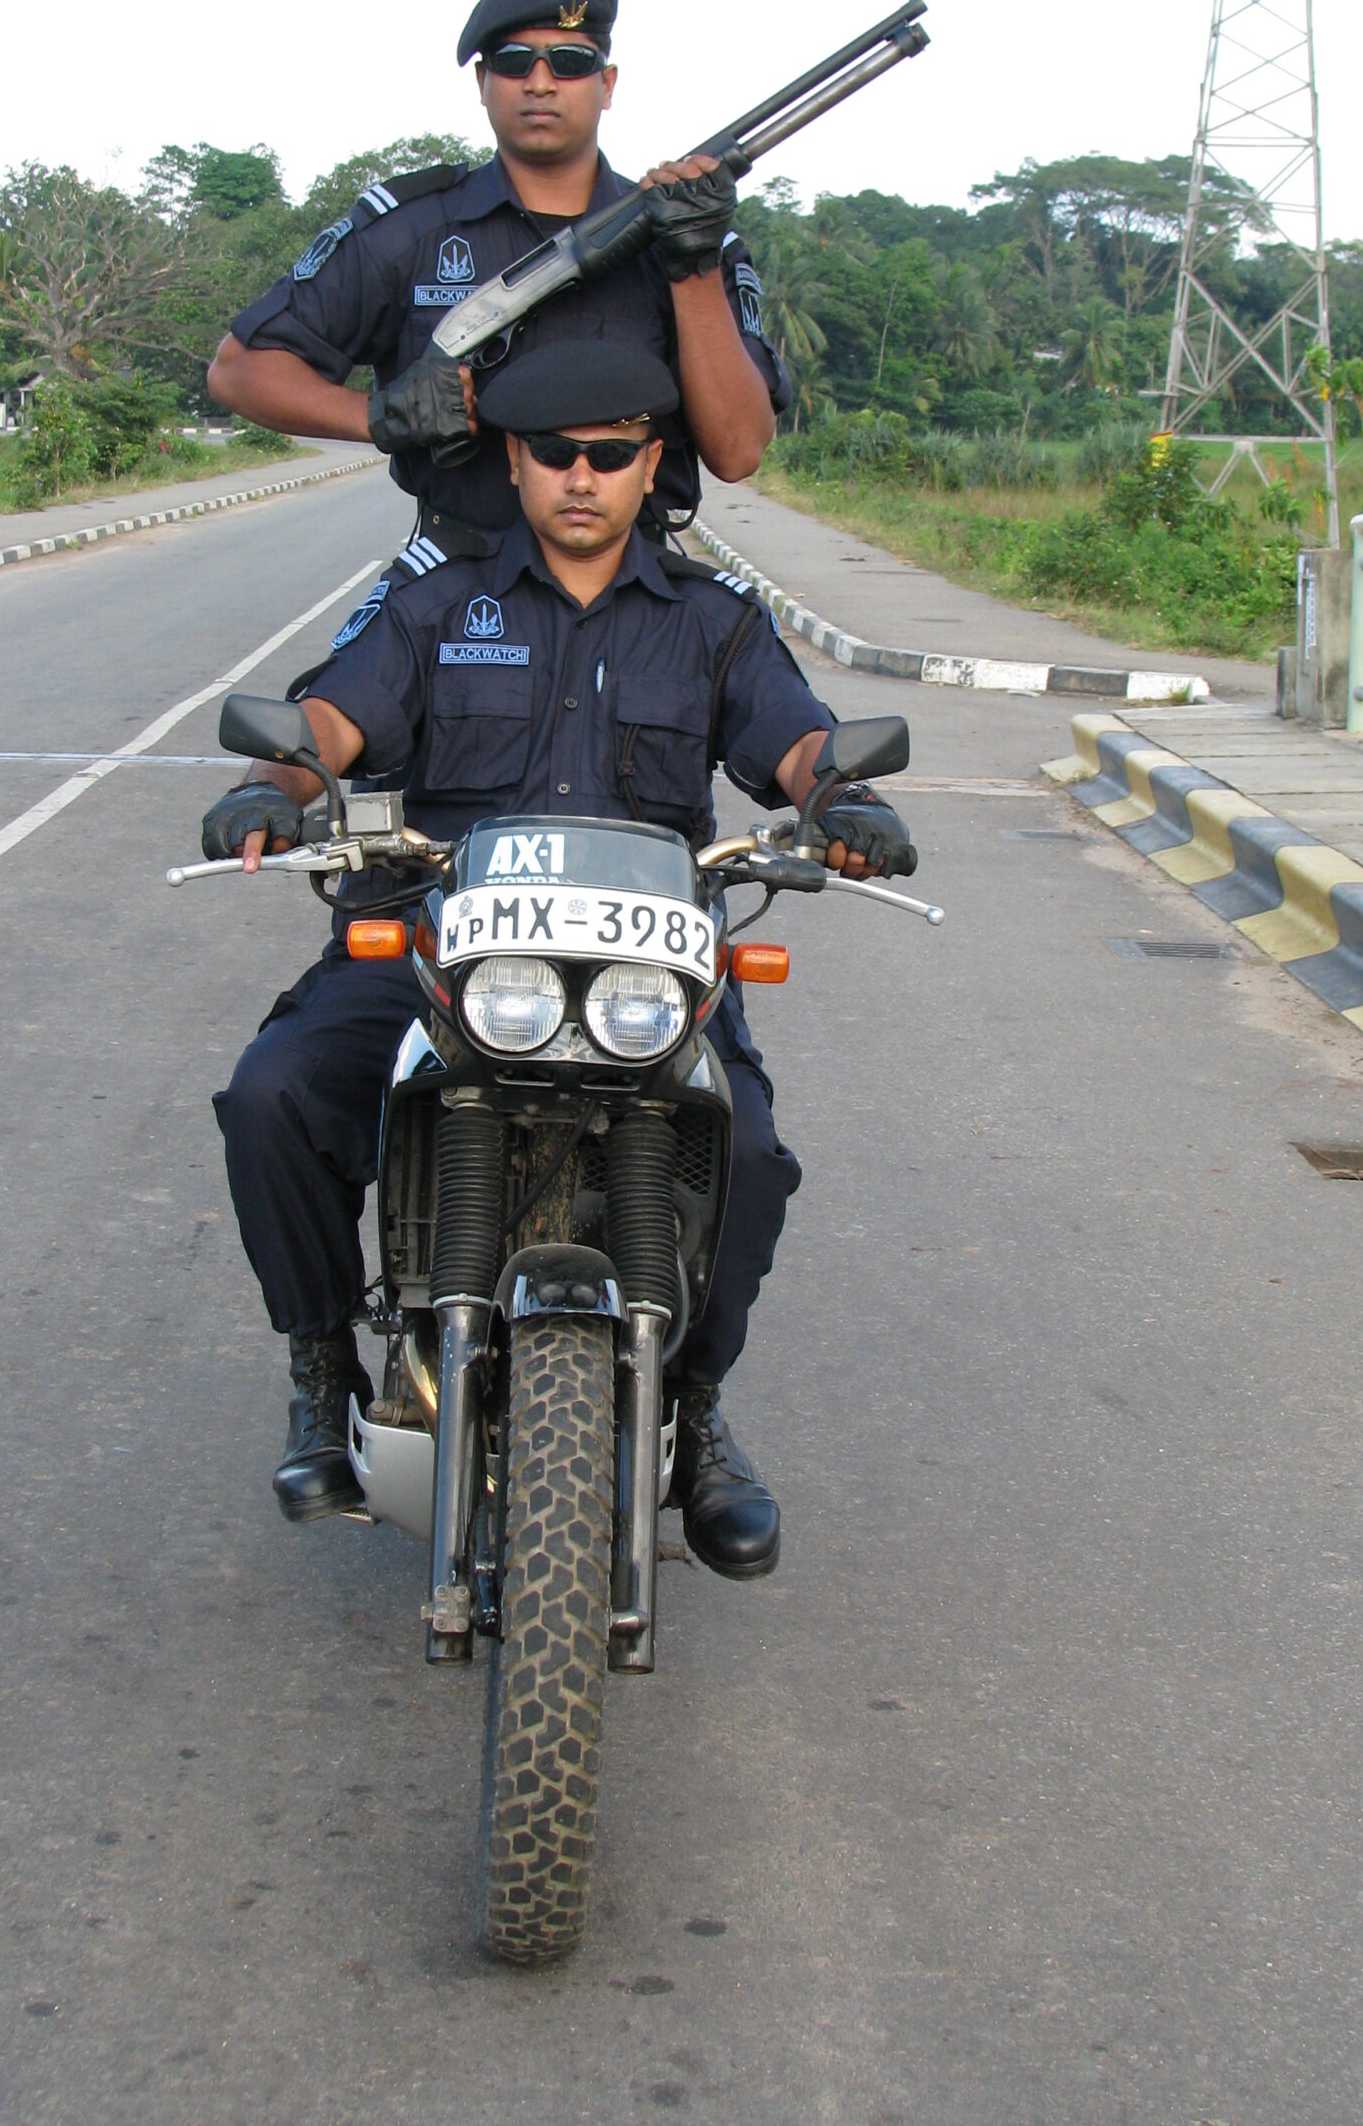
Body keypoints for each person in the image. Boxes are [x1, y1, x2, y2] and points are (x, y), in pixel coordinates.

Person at [205, 340, 914, 1580]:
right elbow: (332, 715)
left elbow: (797, 742)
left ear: (652, 467)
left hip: (642, 969)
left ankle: (696, 1415)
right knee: (273, 1096)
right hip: (445, 944)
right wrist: (281, 783)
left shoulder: (713, 623)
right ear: (513, 463)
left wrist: (841, 799)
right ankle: (322, 1370)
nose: (581, 477)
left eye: (612, 454)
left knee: (746, 1152)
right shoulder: (436, 605)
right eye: (553, 453)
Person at [205, 0, 789, 579]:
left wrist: (693, 268)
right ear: (482, 82)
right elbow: (240, 372)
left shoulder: (687, 237)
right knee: (329, 682)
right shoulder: (411, 229)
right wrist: (381, 416)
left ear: (608, 83)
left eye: (570, 61)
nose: (540, 82)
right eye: (514, 62)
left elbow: (738, 450)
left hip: (634, 596)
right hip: (451, 590)